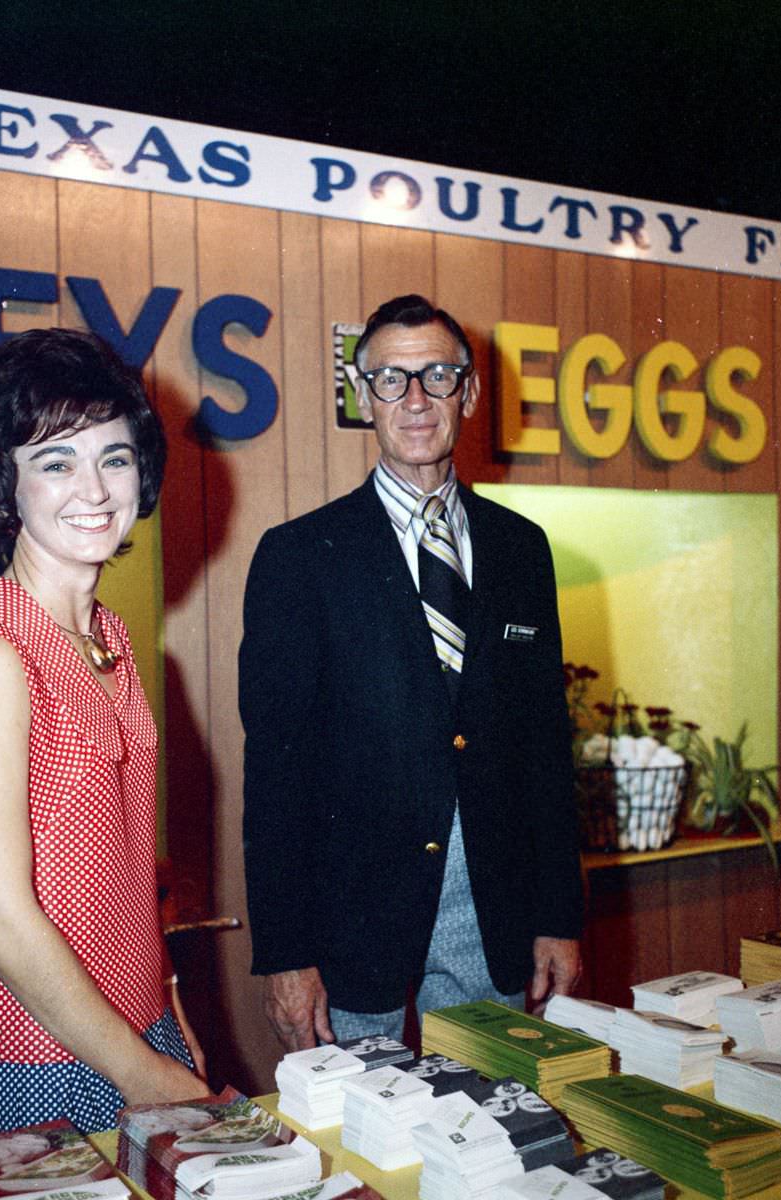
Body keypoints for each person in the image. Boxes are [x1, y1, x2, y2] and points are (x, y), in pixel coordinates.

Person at [240, 294, 584, 1050]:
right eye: (392, 380)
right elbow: (275, 773)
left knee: (494, 1133)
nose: (417, 399)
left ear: (471, 391)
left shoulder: (522, 549)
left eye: (438, 374)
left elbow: (544, 750)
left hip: (491, 919)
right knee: (363, 1149)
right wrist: (286, 954)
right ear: (363, 397)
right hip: (349, 933)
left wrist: (559, 915)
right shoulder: (299, 558)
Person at [0, 328, 209, 1163]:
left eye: (114, 458)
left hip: (138, 1029)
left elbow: (122, 869)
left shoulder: (111, 637)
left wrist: (170, 1017)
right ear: (4, 483)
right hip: (35, 1058)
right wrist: (144, 1073)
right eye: (55, 461)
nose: (93, 488)